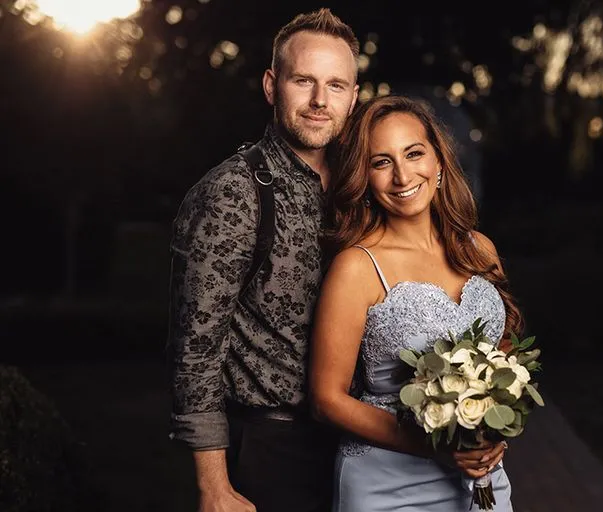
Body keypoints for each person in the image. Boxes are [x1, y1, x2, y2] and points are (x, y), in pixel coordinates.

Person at [167, 8, 359, 512]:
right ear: (272, 86)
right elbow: (195, 349)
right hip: (271, 448)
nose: (321, 100)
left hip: (357, 446)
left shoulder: (359, 190)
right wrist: (213, 486)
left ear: (354, 97)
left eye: (336, 85)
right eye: (304, 81)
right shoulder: (233, 192)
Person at [309, 95, 523, 511]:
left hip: (482, 479)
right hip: (388, 486)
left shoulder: (480, 250)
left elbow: (503, 353)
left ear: (439, 161)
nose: (402, 175)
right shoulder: (356, 267)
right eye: (381, 162)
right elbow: (326, 399)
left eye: (414, 153)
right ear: (365, 177)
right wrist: (436, 447)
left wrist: (493, 431)